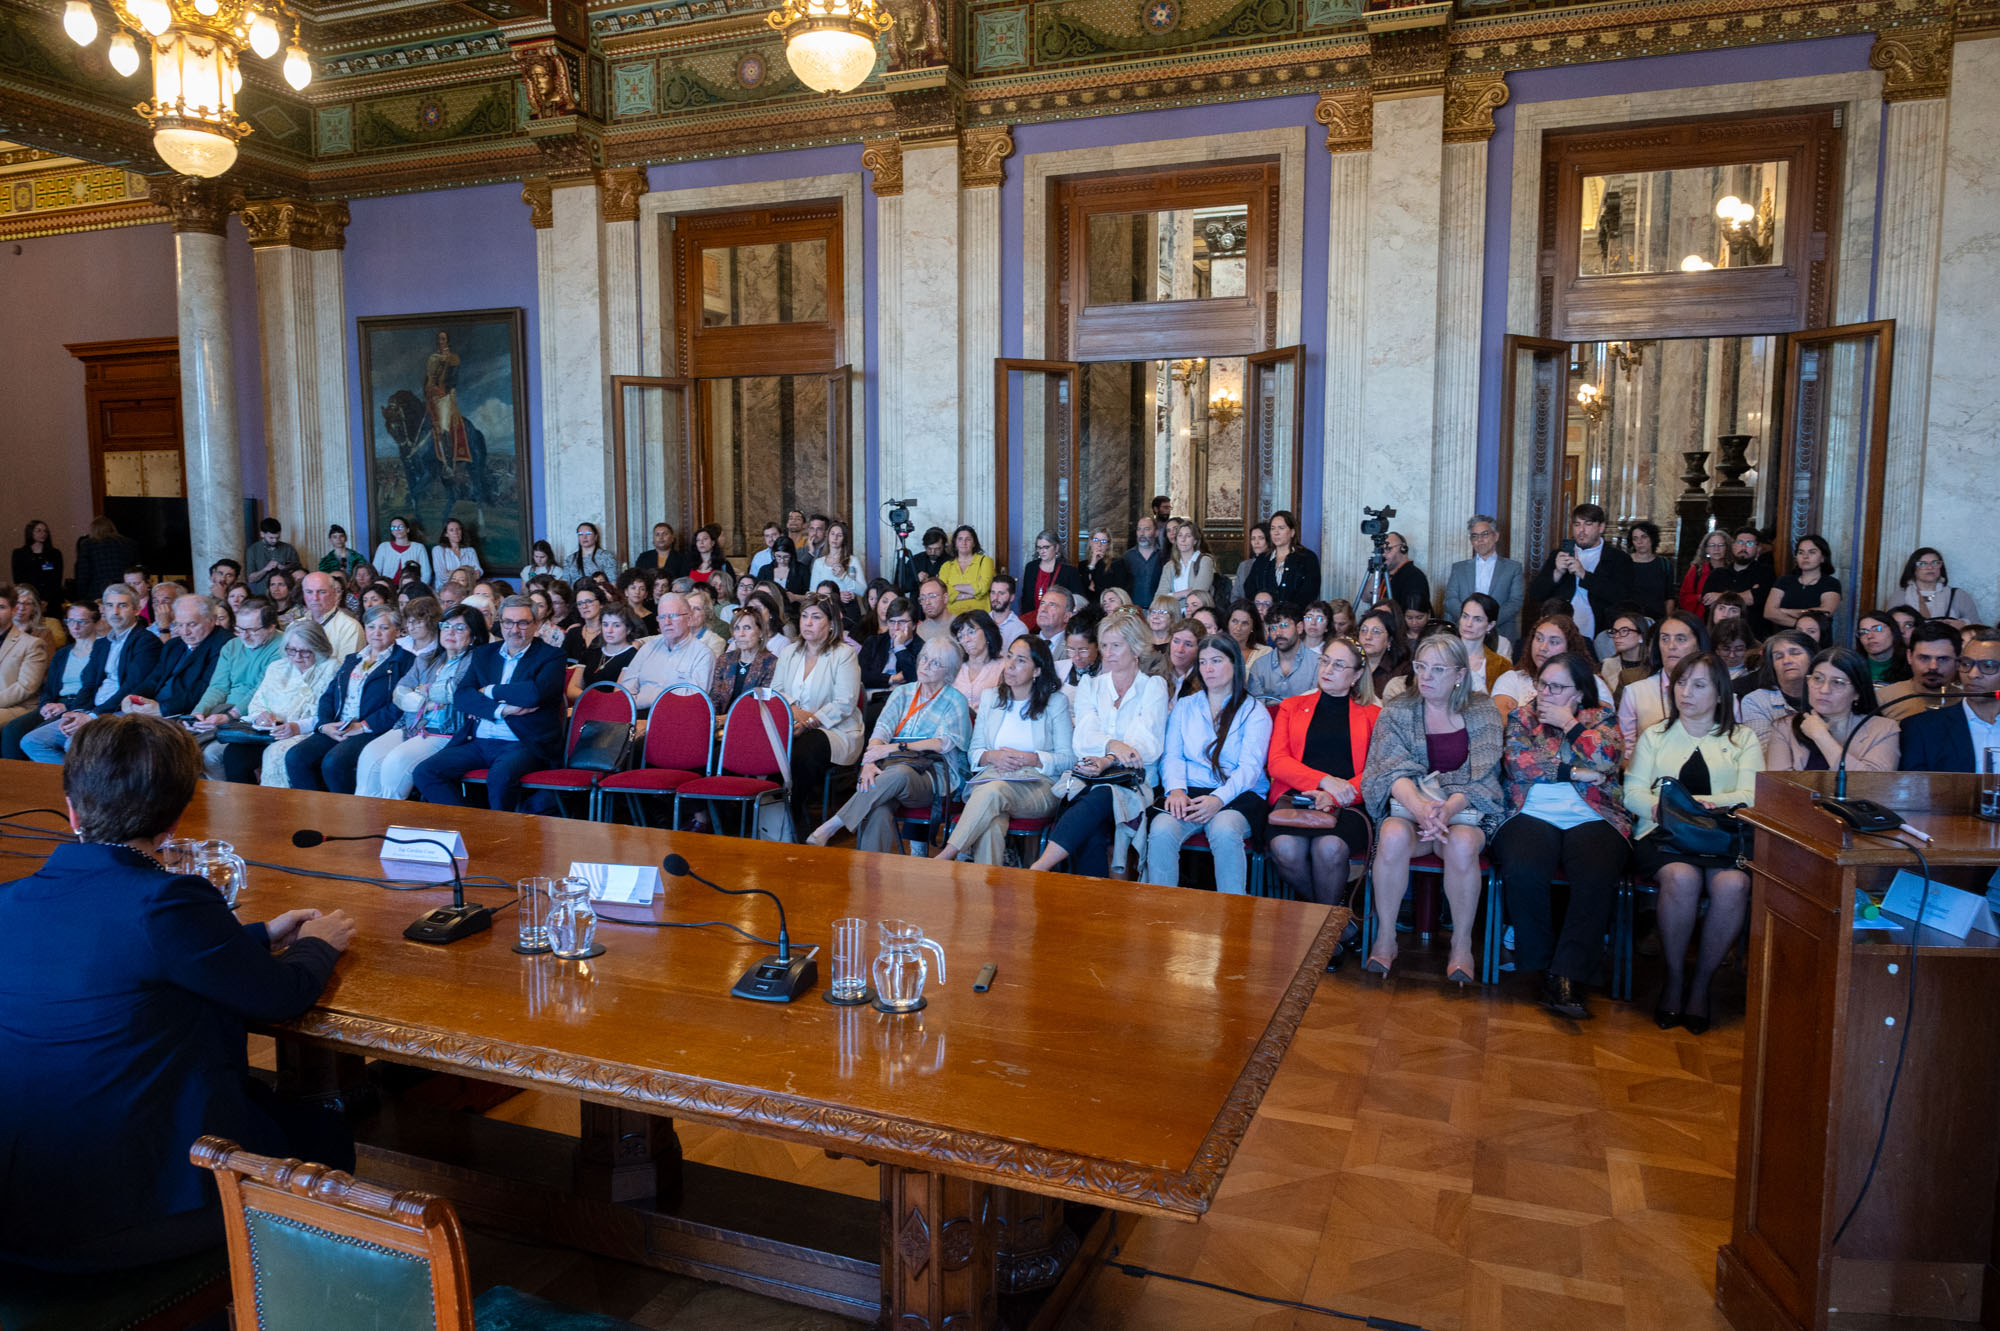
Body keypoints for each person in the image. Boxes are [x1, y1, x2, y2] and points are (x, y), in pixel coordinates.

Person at [0, 713, 357, 1274]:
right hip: (121, 1216)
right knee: (324, 1137)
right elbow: (281, 995)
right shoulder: (166, 900)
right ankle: (277, 1293)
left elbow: (119, 956)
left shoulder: (12, 901)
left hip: (20, 1206)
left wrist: (259, 935)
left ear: (71, 808)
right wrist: (318, 944)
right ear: (176, 817)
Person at [1625, 653, 1763, 1034]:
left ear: (1720, 693)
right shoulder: (1655, 735)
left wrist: (1703, 805)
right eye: (1681, 683)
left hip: (1721, 836)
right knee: (1682, 878)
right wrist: (1660, 809)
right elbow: (1631, 791)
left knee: (1734, 884)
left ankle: (1701, 983)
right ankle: (1673, 979)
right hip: (1663, 835)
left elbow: (1751, 795)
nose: (1686, 692)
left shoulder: (1742, 738)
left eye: (1699, 685)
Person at [1358, 635, 1504, 982]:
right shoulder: (1398, 709)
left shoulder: (1482, 709)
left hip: (1465, 811)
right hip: (1411, 810)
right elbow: (1386, 770)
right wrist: (1421, 808)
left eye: (1438, 669)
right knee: (1392, 835)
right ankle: (1386, 936)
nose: (1426, 676)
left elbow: (1485, 775)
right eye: (1421, 666)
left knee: (1462, 844)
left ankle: (1461, 944)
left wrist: (1447, 810)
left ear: (1459, 674)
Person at [1494, 652, 1630, 1019]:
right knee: (1523, 868)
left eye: (1557, 687)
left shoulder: (1601, 717)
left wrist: (1570, 725)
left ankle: (1568, 973)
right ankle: (1540, 964)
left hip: (1593, 813)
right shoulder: (1522, 717)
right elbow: (1518, 765)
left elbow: (1607, 759)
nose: (1546, 693)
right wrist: (1577, 773)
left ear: (1579, 692)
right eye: (1543, 685)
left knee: (1597, 874)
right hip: (1531, 810)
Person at [1023, 612, 1168, 880]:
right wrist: (1113, 745)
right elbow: (1082, 740)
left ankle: (1040, 867)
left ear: (1136, 648)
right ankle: (1091, 899)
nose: (1108, 653)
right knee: (1092, 827)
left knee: (1102, 796)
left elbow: (1146, 745)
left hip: (1136, 783)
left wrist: (1107, 759)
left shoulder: (1153, 687)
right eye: (1104, 645)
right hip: (1090, 777)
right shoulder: (1090, 686)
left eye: (1116, 645)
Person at [806, 637, 972, 853]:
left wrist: (896, 747)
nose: (925, 666)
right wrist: (869, 763)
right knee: (879, 809)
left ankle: (834, 824)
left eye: (935, 663)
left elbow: (943, 743)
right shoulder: (902, 692)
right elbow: (881, 730)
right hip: (890, 766)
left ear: (948, 671)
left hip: (931, 774)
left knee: (900, 774)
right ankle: (869, 871)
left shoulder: (955, 700)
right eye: (924, 658)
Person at [1141, 634, 1273, 895]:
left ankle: (1232, 908)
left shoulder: (1254, 711)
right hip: (1190, 791)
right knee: (1162, 829)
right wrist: (1176, 790)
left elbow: (1249, 769)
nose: (1208, 668)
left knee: (1224, 829)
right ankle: (1160, 909)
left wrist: (1218, 799)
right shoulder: (1186, 705)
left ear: (1235, 664)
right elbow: (1172, 756)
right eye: (1203, 662)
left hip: (1237, 794)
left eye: (1216, 661)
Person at [413, 596, 568, 811]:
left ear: (536, 624)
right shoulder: (484, 653)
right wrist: (501, 710)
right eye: (508, 622)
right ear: (500, 623)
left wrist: (489, 690)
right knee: (425, 772)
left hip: (524, 743)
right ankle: (468, 824)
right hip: (478, 741)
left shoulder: (552, 656)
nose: (514, 629)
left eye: (522, 623)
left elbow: (534, 694)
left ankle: (498, 831)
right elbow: (463, 696)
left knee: (500, 777)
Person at [934, 635, 1072, 865]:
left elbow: (1069, 759)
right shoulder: (991, 698)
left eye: (1021, 660)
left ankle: (946, 856)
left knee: (993, 791)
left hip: (1038, 786)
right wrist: (992, 756)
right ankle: (986, 886)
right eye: (1009, 657)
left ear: (1037, 670)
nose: (1010, 665)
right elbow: (974, 752)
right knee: (991, 823)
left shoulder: (1055, 702)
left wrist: (1033, 759)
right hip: (993, 778)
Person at [1265, 638, 1380, 907]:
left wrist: (1335, 796)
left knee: (1329, 848)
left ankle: (1321, 924)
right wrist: (1324, 782)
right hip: (1295, 799)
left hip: (1349, 804)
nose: (1327, 670)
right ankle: (1331, 917)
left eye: (1339, 665)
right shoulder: (1292, 706)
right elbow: (1277, 761)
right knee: (1285, 848)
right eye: (1325, 661)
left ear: (1357, 675)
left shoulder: (1373, 715)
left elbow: (1376, 773)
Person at [353, 603, 484, 800]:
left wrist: (421, 691)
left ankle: (388, 815)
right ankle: (363, 814)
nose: (450, 632)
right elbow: (399, 694)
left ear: (473, 635)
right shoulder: (426, 659)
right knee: (369, 756)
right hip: (411, 726)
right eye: (446, 626)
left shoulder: (477, 661)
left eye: (459, 628)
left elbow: (454, 691)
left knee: (395, 762)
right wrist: (427, 701)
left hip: (446, 732)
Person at [21, 584, 162, 764]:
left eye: (122, 605)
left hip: (122, 711)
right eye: (110, 605)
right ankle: (74, 778)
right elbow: (88, 685)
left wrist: (92, 717)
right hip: (91, 710)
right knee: (32, 741)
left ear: (136, 609)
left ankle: (84, 779)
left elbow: (132, 687)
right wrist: (77, 712)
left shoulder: (146, 642)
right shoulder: (102, 644)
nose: (115, 612)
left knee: (74, 743)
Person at [284, 606, 415, 793]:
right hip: (338, 725)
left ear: (397, 631)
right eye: (371, 627)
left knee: (334, 762)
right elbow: (329, 695)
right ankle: (314, 808)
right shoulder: (353, 659)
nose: (376, 633)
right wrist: (324, 725)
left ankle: (344, 809)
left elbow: (400, 705)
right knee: (295, 757)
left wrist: (362, 726)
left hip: (372, 729)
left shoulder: (406, 661)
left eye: (384, 628)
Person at [771, 594, 865, 832]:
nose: (807, 622)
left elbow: (845, 702)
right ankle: (769, 811)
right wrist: (794, 711)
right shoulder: (789, 652)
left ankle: (792, 816)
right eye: (804, 616)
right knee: (768, 746)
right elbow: (776, 690)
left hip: (836, 729)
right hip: (792, 722)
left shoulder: (844, 654)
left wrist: (810, 721)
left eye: (815, 617)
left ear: (831, 623)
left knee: (804, 749)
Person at [1762, 646, 1899, 772]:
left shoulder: (1884, 729)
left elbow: (1872, 785)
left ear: (1857, 692)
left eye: (1838, 682)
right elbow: (1779, 786)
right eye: (1817, 679)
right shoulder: (1784, 728)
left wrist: (1821, 737)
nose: (1824, 690)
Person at [2, 599, 97, 760]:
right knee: (12, 730)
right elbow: (49, 687)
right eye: (70, 621)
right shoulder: (62, 654)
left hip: (81, 705)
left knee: (36, 735)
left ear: (95, 622)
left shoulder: (102, 650)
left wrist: (66, 707)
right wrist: (46, 705)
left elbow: (94, 687)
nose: (75, 626)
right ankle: (16, 775)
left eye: (82, 621)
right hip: (55, 704)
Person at [1527, 503, 1632, 642]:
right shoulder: (1559, 555)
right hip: (1560, 630)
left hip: (1600, 632)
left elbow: (1621, 597)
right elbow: (1535, 593)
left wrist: (1584, 575)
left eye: (1588, 524)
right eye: (1577, 524)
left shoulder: (1618, 558)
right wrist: (1557, 573)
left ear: (1601, 527)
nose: (1581, 530)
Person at [1899, 629, 2000, 771]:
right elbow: (1913, 783)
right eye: (1966, 664)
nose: (1973, 674)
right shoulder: (1922, 728)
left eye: (1987, 666)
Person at [189, 595, 284, 737]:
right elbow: (218, 687)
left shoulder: (283, 647)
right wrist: (198, 712)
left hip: (256, 715)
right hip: (225, 711)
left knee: (208, 747)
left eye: (252, 630)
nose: (244, 636)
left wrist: (230, 716)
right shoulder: (232, 646)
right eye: (240, 629)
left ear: (271, 627)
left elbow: (260, 691)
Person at [619, 591, 718, 711]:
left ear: (688, 619)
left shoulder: (703, 655)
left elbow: (692, 700)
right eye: (662, 617)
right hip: (637, 715)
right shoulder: (647, 648)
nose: (667, 622)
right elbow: (626, 693)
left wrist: (647, 698)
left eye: (673, 616)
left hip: (676, 717)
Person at [1443, 514, 1525, 645]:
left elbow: (1515, 602)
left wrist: (1487, 622)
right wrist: (1469, 621)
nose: (1480, 540)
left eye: (1485, 534)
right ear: (1471, 540)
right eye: (1475, 536)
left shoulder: (1513, 568)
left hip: (1500, 632)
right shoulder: (1459, 568)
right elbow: (1450, 600)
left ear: (1496, 536)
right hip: (1464, 633)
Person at [1491, 611, 1588, 717]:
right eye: (1539, 639)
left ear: (1570, 648)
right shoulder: (1511, 679)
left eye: (1554, 642)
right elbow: (1503, 721)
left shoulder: (1590, 681)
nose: (1543, 648)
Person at [1735, 629, 1815, 748]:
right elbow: (1765, 750)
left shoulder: (1827, 695)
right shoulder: (1756, 701)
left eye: (1795, 653)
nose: (1787, 661)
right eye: (1779, 657)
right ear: (1772, 665)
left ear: (1812, 657)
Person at [1879, 621, 1963, 721]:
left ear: (1958, 661)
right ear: (1909, 656)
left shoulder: (1968, 702)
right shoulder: (1884, 699)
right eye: (1924, 658)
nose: (1933, 667)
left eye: (1942, 659)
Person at [1763, 534, 1841, 629]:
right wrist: (1802, 627)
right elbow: (1769, 613)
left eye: (1812, 552)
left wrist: (1786, 611)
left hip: (1816, 638)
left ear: (1823, 557)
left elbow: (1824, 612)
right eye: (1801, 552)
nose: (1805, 556)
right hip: (1785, 636)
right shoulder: (1784, 581)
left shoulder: (1831, 583)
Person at [1886, 546, 1978, 627]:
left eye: (1935, 563)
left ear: (1941, 567)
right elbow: (1889, 628)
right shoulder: (1899, 596)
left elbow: (1978, 627)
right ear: (1913, 568)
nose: (1930, 567)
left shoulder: (1958, 595)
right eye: (1922, 563)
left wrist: (1964, 624)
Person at [711, 606, 777, 717]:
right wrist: (714, 720)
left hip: (752, 722)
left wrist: (727, 719)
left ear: (760, 632)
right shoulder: (724, 660)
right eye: (737, 628)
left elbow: (761, 705)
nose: (741, 634)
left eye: (747, 628)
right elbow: (715, 698)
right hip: (720, 722)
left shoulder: (771, 663)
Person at [0, 580, 49, 727]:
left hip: (18, 707)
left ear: (14, 610)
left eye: (1, 607)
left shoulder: (33, 644)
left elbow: (26, 687)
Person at [1248, 601, 1319, 700]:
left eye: (1284, 625)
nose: (1278, 633)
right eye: (1273, 628)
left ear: (1299, 628)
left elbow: (1314, 703)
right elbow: (1255, 705)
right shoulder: (1259, 666)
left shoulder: (1317, 664)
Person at [73, 516, 139, 606]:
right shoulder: (129, 543)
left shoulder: (87, 545)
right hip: (123, 589)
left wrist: (82, 597)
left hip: (96, 593)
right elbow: (135, 570)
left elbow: (83, 574)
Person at [298, 570, 363, 661]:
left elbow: (345, 668)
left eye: (321, 592)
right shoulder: (295, 625)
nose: (315, 598)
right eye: (309, 592)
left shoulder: (350, 627)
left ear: (334, 594)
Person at [860, 595, 920, 690]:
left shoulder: (923, 649)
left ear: (914, 625)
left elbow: (913, 679)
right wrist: (892, 679)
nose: (896, 627)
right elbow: (860, 675)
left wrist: (899, 647)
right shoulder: (873, 642)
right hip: (870, 696)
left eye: (902, 622)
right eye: (892, 621)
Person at [1622, 521, 1675, 617]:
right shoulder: (1624, 562)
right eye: (1635, 538)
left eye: (1644, 537)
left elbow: (1669, 597)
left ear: (1652, 538)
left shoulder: (1664, 564)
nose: (1639, 542)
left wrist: (1667, 619)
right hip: (1630, 618)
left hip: (1657, 619)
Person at [1356, 606, 1408, 701]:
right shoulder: (1352, 663)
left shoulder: (1402, 670)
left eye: (1376, 631)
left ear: (1389, 640)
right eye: (1364, 630)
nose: (1368, 637)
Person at [1162, 522, 1215, 611]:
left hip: (1197, 614)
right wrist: (1184, 593)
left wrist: (1171, 596)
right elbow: (1159, 597)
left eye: (1188, 536)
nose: (1183, 539)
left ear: (1195, 541)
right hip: (1173, 615)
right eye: (1180, 535)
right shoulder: (1169, 566)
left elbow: (1197, 596)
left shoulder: (1205, 561)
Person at [1678, 529, 1733, 615]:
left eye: (1721, 545)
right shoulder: (1697, 570)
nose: (1716, 549)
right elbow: (1683, 598)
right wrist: (1700, 597)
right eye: (1712, 545)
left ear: (1727, 548)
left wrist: (1721, 596)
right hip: (1700, 617)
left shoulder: (1734, 569)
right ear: (1706, 549)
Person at [240, 517, 298, 597]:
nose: (274, 541)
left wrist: (285, 568)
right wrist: (266, 569)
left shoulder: (289, 549)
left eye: (277, 537)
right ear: (262, 534)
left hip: (286, 596)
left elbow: (299, 571)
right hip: (262, 596)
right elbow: (251, 579)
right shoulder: (252, 550)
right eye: (271, 538)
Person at [11, 518, 61, 607]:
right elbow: (18, 579)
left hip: (51, 600)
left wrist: (46, 600)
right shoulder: (19, 553)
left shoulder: (54, 554)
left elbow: (56, 579)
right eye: (39, 531)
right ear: (30, 532)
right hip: (28, 600)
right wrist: (30, 598)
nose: (43, 534)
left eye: (45, 531)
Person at [1123, 515, 1168, 611]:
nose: (1141, 533)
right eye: (1139, 529)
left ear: (1156, 533)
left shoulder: (1164, 556)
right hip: (1132, 611)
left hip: (1157, 610)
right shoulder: (1127, 557)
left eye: (1146, 529)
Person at [1855, 609, 1911, 685]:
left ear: (1893, 632)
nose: (1869, 636)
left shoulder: (1911, 665)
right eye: (1863, 632)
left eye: (1877, 629)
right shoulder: (1853, 666)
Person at [1379, 532, 1431, 613]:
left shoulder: (1414, 577)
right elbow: (1366, 597)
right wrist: (1376, 567)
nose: (1383, 554)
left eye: (1388, 549)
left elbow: (1412, 616)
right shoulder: (1383, 573)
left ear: (1403, 549)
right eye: (1381, 550)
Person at [369, 515, 427, 583]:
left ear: (407, 529)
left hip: (411, 586)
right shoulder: (383, 547)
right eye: (393, 527)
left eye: (401, 527)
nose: (397, 530)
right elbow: (376, 571)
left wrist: (419, 587)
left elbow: (426, 572)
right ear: (391, 531)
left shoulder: (419, 548)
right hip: (387, 587)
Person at [1079, 528, 1131, 603]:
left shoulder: (1117, 564)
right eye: (1096, 540)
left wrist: (1094, 587)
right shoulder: (1082, 565)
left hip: (1109, 604)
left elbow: (1118, 591)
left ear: (1108, 545)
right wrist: (1092, 563)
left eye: (1103, 541)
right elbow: (1082, 589)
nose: (1099, 544)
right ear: (1091, 542)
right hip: (1088, 605)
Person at [14, 584, 63, 653]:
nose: (21, 608)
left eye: (27, 603)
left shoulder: (44, 635)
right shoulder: (3, 630)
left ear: (34, 608)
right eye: (17, 602)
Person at [431, 517, 481, 584]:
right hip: (446, 588)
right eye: (451, 530)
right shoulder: (438, 550)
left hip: (468, 588)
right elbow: (442, 576)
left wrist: (451, 572)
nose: (456, 533)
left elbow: (478, 574)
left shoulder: (470, 551)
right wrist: (466, 570)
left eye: (458, 529)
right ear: (446, 534)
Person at [1223, 599, 1267, 672]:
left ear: (1253, 627)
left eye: (1245, 623)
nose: (1238, 628)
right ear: (1228, 623)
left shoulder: (1264, 653)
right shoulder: (1217, 649)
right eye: (1234, 621)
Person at [987, 574, 1029, 648]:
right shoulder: (981, 622)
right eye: (993, 592)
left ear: (1011, 597)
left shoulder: (1020, 629)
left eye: (1001, 593)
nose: (995, 597)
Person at [686, 523, 732, 588]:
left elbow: (730, 587)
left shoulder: (724, 565)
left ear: (713, 542)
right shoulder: (689, 563)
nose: (701, 542)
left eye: (705, 539)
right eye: (698, 540)